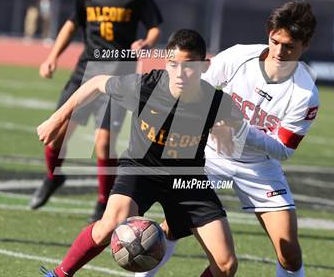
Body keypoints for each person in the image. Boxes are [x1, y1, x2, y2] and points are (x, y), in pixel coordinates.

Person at [37, 29, 243, 277]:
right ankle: (59, 275)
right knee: (108, 226)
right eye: (173, 64)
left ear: (204, 66)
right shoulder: (145, 86)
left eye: (189, 66)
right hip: (141, 169)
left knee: (226, 265)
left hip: (187, 179)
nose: (180, 73)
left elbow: (236, 121)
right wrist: (57, 119)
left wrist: (225, 130)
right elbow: (94, 83)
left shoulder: (217, 102)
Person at [137, 0, 319, 277]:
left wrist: (239, 129)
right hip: (211, 156)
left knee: (289, 253)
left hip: (258, 167)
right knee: (174, 225)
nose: (279, 51)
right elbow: (196, 82)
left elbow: (283, 150)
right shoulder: (239, 57)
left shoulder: (306, 94)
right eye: (274, 41)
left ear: (305, 45)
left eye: (289, 46)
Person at [30, 0, 163, 222]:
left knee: (103, 141)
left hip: (119, 73)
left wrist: (146, 42)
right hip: (85, 70)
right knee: (56, 135)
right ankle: (53, 177)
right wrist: (52, 57)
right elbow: (72, 24)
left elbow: (155, 26)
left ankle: (104, 202)